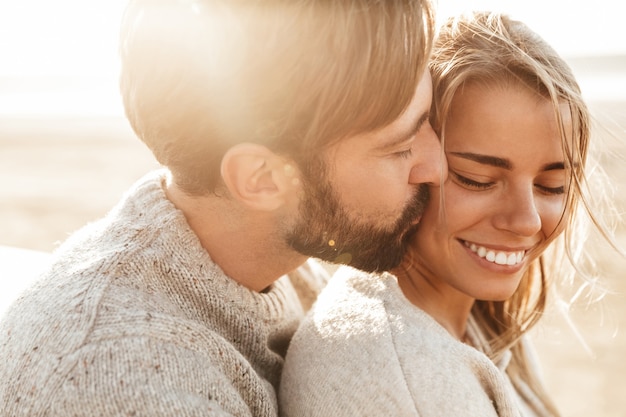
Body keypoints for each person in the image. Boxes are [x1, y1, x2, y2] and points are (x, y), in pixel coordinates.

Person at [0, 1, 444, 416]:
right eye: (401, 147)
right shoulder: (121, 382)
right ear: (262, 180)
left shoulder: (286, 255)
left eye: (432, 120)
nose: (438, 167)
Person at [280, 11, 618, 417]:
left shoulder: (482, 318)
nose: (527, 221)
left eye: (552, 187)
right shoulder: (391, 377)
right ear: (415, 164)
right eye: (477, 179)